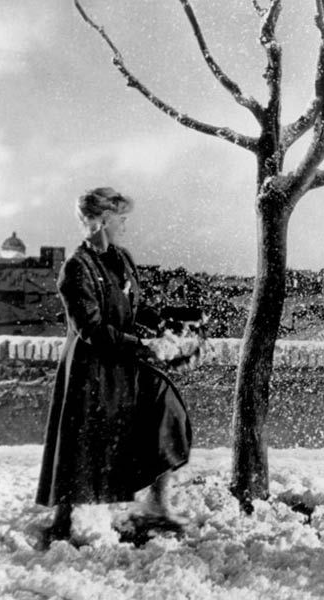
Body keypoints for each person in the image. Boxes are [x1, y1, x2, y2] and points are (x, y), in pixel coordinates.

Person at [36, 187, 192, 545]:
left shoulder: (122, 258)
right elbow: (90, 328)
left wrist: (164, 326)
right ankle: (64, 521)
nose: (125, 225)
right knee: (81, 444)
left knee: (166, 407)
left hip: (123, 360)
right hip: (92, 368)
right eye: (121, 218)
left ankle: (156, 505)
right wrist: (142, 345)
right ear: (102, 220)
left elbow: (135, 307)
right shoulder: (76, 268)